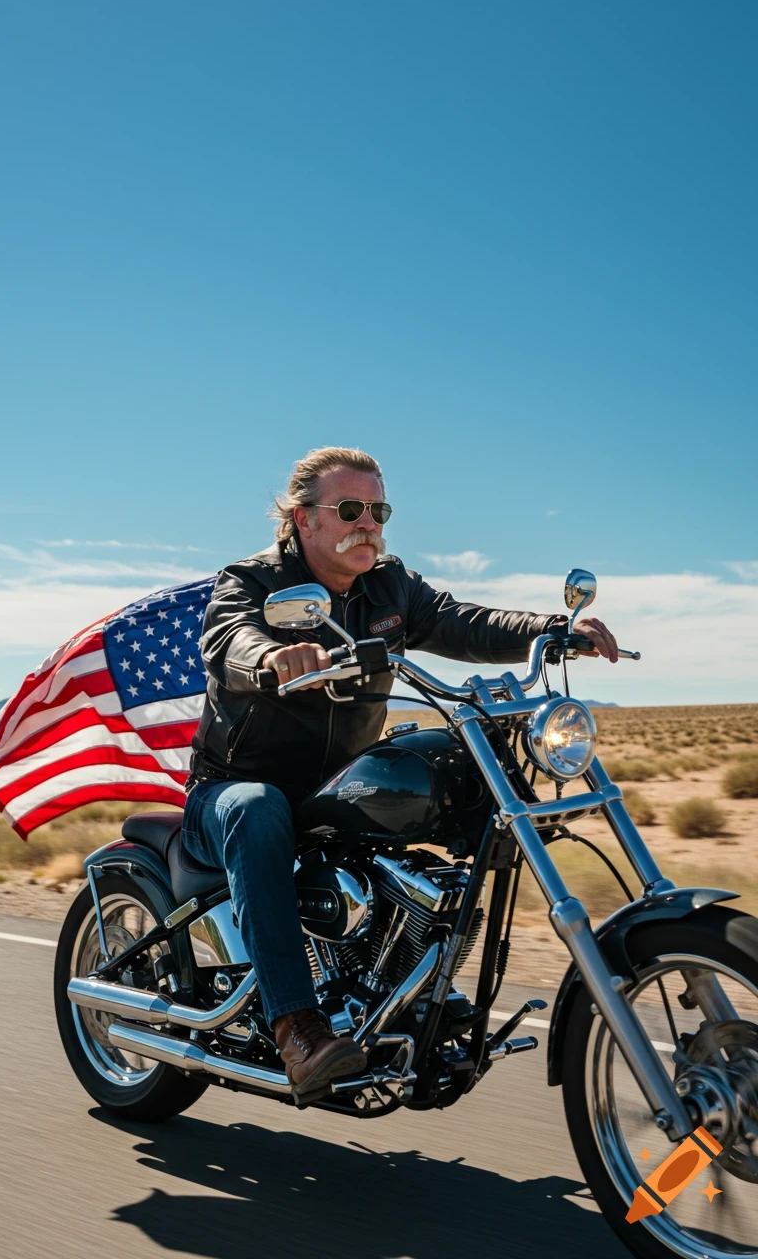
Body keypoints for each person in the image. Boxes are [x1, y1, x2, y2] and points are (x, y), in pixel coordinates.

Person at [181, 446, 619, 1104]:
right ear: (304, 520)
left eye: (378, 510)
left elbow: (461, 620)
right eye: (350, 509)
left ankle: (417, 993)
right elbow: (230, 641)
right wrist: (272, 656)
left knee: (454, 781)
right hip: (233, 786)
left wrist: (554, 631)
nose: (369, 524)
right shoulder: (250, 582)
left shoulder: (390, 587)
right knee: (258, 809)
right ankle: (296, 1027)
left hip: (336, 785)